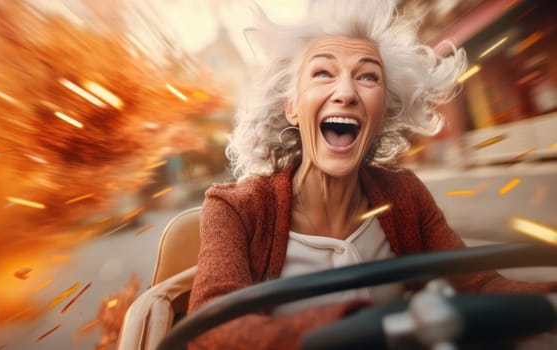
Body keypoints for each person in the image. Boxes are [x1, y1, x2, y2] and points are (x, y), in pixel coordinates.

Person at [187, 0, 557, 349]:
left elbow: (477, 284)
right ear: (292, 108)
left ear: (382, 114)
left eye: (367, 76)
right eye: (322, 72)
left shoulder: (405, 196)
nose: (346, 92)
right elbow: (212, 332)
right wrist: (359, 327)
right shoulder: (235, 209)